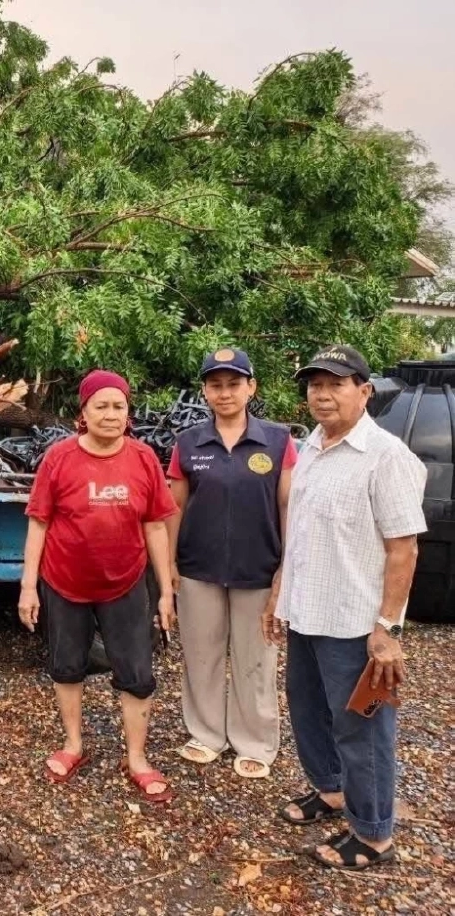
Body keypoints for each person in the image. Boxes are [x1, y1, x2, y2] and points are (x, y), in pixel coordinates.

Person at [264, 344, 425, 871]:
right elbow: (303, 533)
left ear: (364, 391)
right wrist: (280, 593)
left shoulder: (386, 457)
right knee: (310, 715)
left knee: (363, 730)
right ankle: (332, 793)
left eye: (336, 383)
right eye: (314, 384)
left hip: (355, 625)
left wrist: (388, 629)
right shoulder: (309, 447)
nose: (322, 394)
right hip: (307, 613)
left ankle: (374, 833)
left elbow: (404, 548)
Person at [18, 369, 178, 802]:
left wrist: (165, 590)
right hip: (64, 582)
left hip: (125, 584)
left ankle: (138, 758)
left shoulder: (143, 458)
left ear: (128, 413)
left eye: (119, 406)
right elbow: (39, 523)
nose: (111, 414)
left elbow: (156, 527)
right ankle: (73, 746)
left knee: (137, 673)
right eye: (101, 406)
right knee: (66, 666)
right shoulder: (59, 458)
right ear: (83, 412)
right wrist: (28, 587)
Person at [166, 348, 295, 779]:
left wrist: (284, 571)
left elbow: (287, 507)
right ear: (204, 391)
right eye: (215, 385)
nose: (225, 393)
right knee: (200, 656)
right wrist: (167, 566)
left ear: (251, 387)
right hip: (197, 569)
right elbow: (174, 509)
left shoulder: (278, 441)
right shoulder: (188, 443)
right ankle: (205, 734)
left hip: (257, 571)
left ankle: (255, 740)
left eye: (234, 383)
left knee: (256, 659)